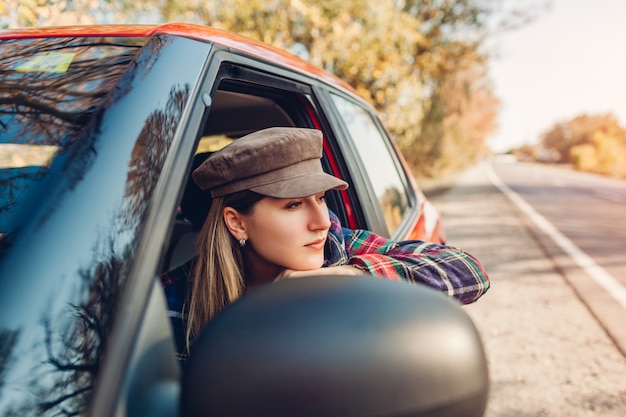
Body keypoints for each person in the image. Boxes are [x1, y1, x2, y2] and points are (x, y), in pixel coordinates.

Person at [161, 127, 490, 360]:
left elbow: (470, 271)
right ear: (236, 221)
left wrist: (349, 277)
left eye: (320, 198)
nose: (322, 221)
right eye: (293, 204)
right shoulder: (171, 302)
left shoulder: (342, 247)